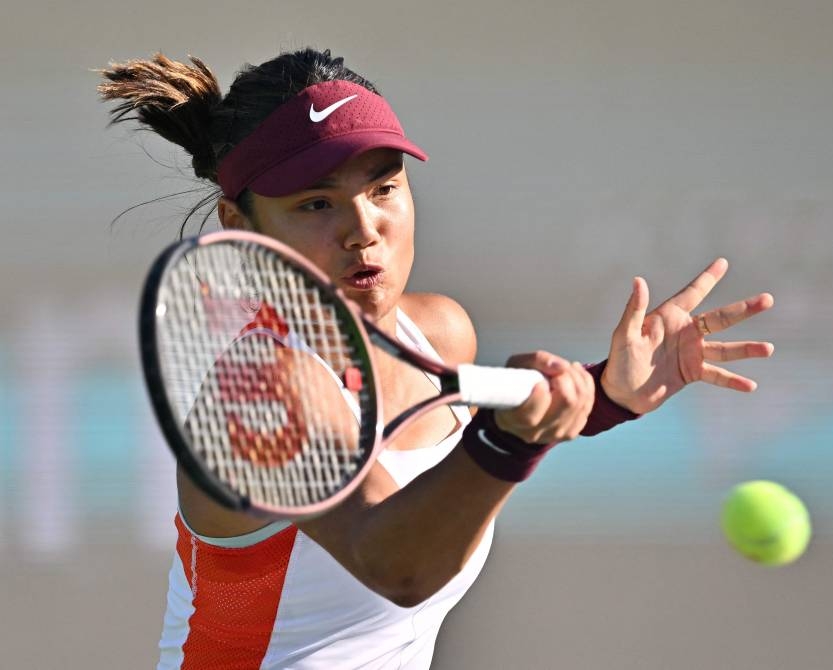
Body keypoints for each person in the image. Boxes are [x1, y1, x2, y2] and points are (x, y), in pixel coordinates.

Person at [98, 48, 775, 670]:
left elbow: (465, 477)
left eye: (384, 188)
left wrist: (606, 397)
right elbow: (397, 567)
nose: (365, 229)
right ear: (241, 227)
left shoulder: (441, 333)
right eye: (316, 204)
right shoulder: (260, 388)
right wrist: (505, 441)